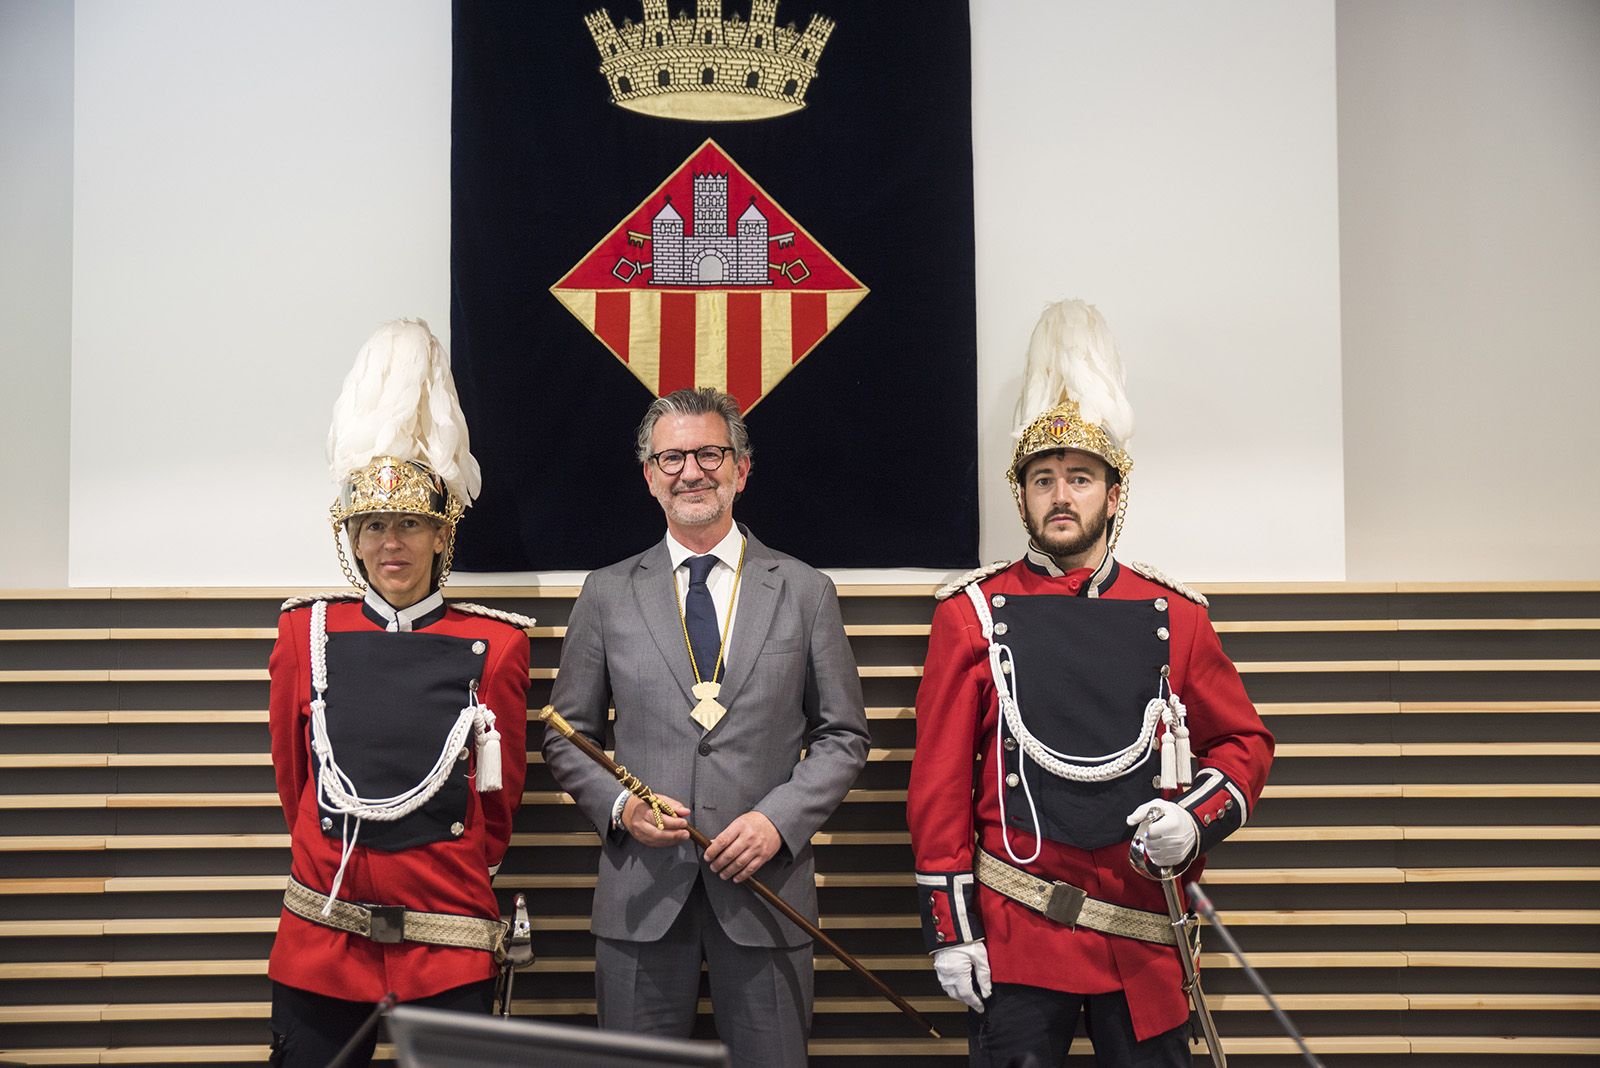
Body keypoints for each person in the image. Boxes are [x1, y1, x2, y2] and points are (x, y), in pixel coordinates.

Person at [907, 300, 1274, 1066]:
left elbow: (1244, 742)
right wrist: (952, 931)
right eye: (1044, 479)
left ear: (1114, 494)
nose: (1061, 495)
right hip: (1016, 930)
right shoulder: (971, 615)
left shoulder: (1175, 615)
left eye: (1080, 477)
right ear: (1023, 496)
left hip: (1140, 931)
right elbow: (939, 787)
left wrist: (1196, 819)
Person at [543, 387, 870, 1068]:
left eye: (709, 454)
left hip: (768, 894)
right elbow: (565, 734)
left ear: (741, 469)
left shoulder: (806, 592)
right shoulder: (605, 593)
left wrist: (778, 821)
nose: (691, 472)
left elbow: (843, 735)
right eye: (671, 458)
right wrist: (621, 806)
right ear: (648, 477)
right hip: (640, 896)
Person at [266, 320, 532, 1066]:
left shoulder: (500, 645)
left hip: (446, 936)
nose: (392, 543)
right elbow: (299, 785)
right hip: (324, 933)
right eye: (375, 525)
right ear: (351, 538)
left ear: (442, 535)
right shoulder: (303, 635)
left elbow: (496, 805)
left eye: (410, 524)